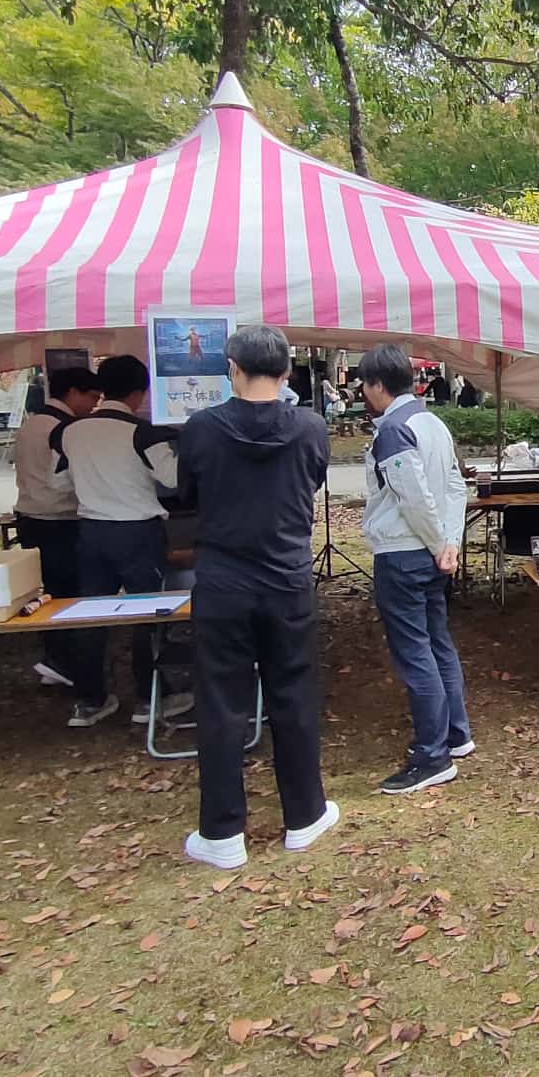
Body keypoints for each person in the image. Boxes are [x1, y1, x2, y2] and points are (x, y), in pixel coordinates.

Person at [174, 324, 336, 868]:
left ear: (232, 369)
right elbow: (312, 482)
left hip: (222, 584)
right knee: (295, 696)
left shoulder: (200, 428)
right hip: (287, 579)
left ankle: (222, 834)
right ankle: (305, 815)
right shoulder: (311, 428)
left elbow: (187, 493)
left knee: (222, 704)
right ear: (287, 371)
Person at [360, 344, 473, 794]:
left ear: (377, 385)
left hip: (403, 553)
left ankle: (432, 756)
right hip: (431, 552)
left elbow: (414, 496)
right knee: (438, 642)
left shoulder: (394, 429)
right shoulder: (433, 423)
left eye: (364, 384)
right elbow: (455, 487)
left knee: (416, 653)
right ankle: (456, 734)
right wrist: (450, 543)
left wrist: (442, 543)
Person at [54, 355, 181, 727]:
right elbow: (173, 479)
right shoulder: (142, 432)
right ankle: (149, 697)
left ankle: (90, 699)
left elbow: (58, 482)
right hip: (137, 533)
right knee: (148, 613)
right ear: (140, 393)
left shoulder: (71, 431)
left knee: (92, 614)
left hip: (92, 532)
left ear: (102, 389)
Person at [13, 364, 100, 689]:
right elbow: (66, 480)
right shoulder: (63, 429)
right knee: (68, 595)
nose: (94, 404)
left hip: (30, 519)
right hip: (59, 521)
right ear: (73, 392)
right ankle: (65, 662)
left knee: (49, 593)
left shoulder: (31, 423)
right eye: (92, 397)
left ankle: (56, 658)